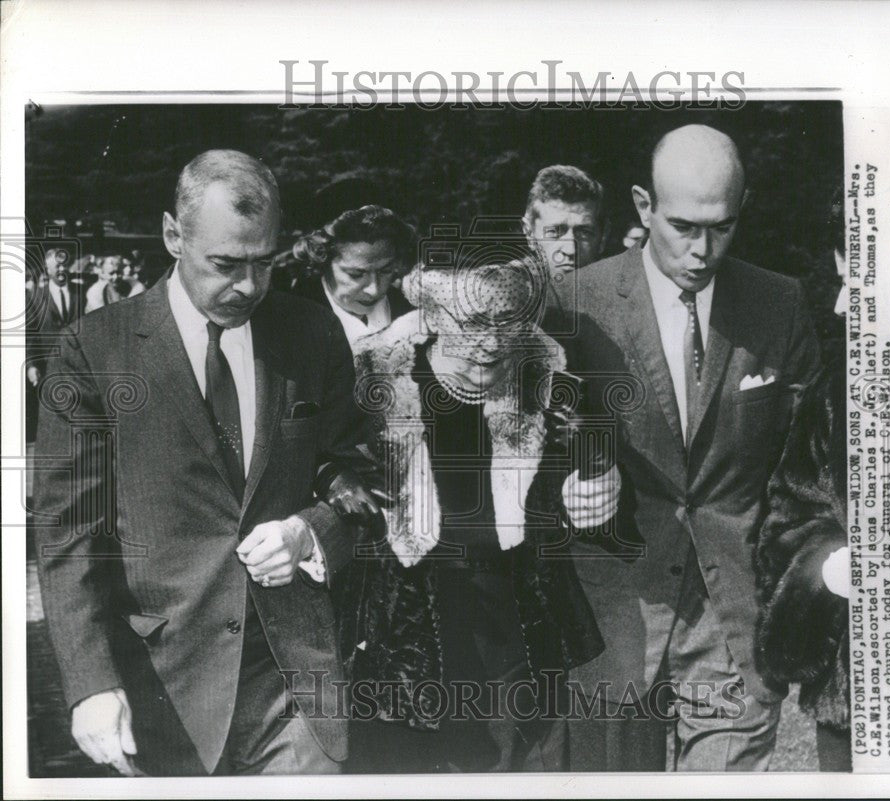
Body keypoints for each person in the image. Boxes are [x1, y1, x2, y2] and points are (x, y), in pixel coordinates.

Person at [33, 149, 366, 776]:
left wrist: (310, 532)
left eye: (264, 263)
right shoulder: (92, 350)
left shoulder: (312, 334)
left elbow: (361, 473)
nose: (247, 286)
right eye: (225, 264)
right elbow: (68, 532)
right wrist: (90, 682)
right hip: (162, 689)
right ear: (171, 235)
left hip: (296, 687)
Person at [554, 124, 821, 771]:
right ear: (644, 206)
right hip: (610, 611)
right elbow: (524, 449)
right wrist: (565, 492)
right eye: (683, 227)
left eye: (722, 227)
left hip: (732, 611)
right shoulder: (574, 302)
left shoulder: (779, 303)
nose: (703, 250)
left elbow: (811, 465)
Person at [337, 256, 614, 772]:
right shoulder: (377, 374)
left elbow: (585, 504)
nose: (491, 341)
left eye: (507, 322)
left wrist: (587, 462)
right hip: (408, 610)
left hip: (514, 608)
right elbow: (331, 463)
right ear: (436, 316)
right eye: (474, 324)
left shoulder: (547, 376)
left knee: (523, 763)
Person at [754, 229, 850, 772]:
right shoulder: (833, 393)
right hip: (853, 689)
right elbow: (788, 513)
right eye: (841, 282)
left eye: (858, 287)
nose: (840, 306)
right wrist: (829, 564)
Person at [292, 205, 415, 349]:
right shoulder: (295, 325)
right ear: (322, 260)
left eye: (385, 271)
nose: (374, 290)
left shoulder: (412, 314)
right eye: (356, 275)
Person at [25, 247, 85, 442]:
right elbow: (30, 334)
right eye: (57, 264)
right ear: (47, 268)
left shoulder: (80, 293)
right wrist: (32, 364)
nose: (62, 268)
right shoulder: (35, 297)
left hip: (76, 364)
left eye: (65, 263)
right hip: (47, 364)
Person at [522, 165, 608, 283]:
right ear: (529, 234)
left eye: (584, 233)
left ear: (603, 238)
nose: (570, 250)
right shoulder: (503, 287)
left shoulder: (615, 290)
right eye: (554, 232)